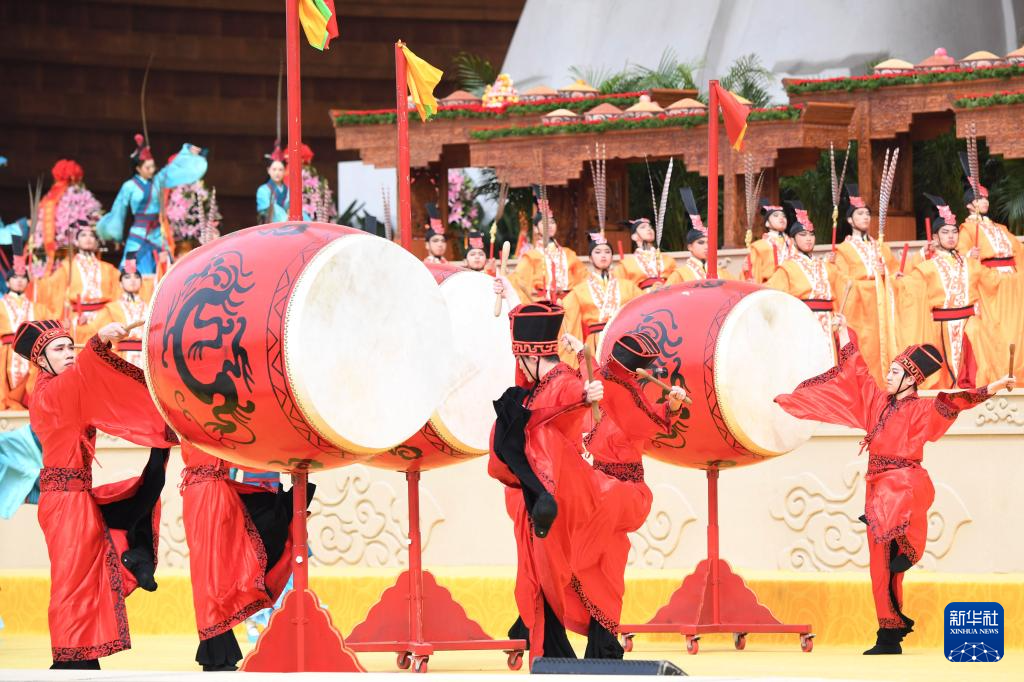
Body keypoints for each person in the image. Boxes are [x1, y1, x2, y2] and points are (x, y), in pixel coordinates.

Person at [776, 314, 1014, 655]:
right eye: (888, 371)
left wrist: (994, 386)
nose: (887, 376)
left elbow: (957, 400)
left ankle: (902, 540)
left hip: (902, 482)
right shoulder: (877, 403)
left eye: (894, 372)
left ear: (910, 379)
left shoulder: (922, 409)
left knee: (895, 502)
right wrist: (843, 330)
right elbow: (857, 369)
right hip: (875, 485)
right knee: (880, 567)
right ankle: (888, 634)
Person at [16, 318, 177, 669]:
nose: (68, 353)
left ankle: (83, 655)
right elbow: (83, 375)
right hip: (65, 502)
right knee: (72, 581)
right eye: (59, 349)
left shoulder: (61, 389)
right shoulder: (48, 394)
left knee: (88, 577)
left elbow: (96, 390)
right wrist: (99, 339)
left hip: (76, 497)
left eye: (70, 347)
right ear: (40, 360)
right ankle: (69, 659)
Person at [487, 302, 605, 663]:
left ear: (531, 356)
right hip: (548, 494)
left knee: (550, 576)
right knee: (550, 577)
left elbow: (573, 398)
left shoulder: (562, 384)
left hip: (553, 496)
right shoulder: (550, 384)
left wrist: (584, 394)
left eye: (520, 361)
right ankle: (546, 643)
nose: (519, 370)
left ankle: (555, 653)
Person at [572, 332, 687, 652]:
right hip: (598, 491)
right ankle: (602, 645)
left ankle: (573, 569)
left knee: (597, 562)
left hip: (622, 494)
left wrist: (673, 404)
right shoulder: (603, 387)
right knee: (607, 567)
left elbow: (653, 419)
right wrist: (579, 350)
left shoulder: (622, 395)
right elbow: (589, 369)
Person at [179, 442, 312, 671]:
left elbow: (236, 453)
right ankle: (217, 648)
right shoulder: (194, 423)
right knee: (208, 576)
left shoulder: (200, 425)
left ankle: (218, 649)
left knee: (213, 574)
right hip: (206, 495)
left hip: (209, 493)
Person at [897, 195, 1008, 389]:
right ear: (935, 237)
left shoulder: (970, 264)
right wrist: (893, 282)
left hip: (971, 328)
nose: (951, 236)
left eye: (954, 232)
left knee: (977, 372)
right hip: (941, 330)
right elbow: (906, 287)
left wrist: (1016, 280)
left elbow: (996, 283)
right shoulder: (927, 267)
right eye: (945, 232)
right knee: (944, 379)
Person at [96, 134, 207, 274]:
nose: (152, 170)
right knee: (129, 266)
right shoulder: (129, 186)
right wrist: (114, 234)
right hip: (138, 231)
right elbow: (119, 210)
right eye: (147, 168)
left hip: (157, 233)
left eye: (153, 166)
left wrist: (188, 151)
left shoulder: (158, 180)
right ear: (138, 168)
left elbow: (175, 168)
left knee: (166, 266)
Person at [956, 156, 1024, 379]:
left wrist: (1018, 276)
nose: (985, 201)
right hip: (990, 286)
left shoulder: (1000, 228)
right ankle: (998, 370)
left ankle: (1017, 368)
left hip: (1013, 285)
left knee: (1016, 327)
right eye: (979, 199)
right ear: (969, 204)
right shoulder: (967, 229)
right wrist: (971, 257)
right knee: (997, 328)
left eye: (985, 198)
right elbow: (962, 258)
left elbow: (1018, 251)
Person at [834, 184, 900, 386]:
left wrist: (885, 274)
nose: (865, 217)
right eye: (860, 214)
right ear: (849, 220)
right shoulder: (843, 249)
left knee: (884, 344)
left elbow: (895, 273)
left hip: (881, 307)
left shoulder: (881, 247)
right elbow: (843, 281)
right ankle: (865, 387)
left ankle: (886, 386)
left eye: (867, 214)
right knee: (865, 345)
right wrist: (870, 282)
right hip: (860, 308)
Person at [765, 200, 846, 359]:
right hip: (801, 321)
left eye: (811, 234)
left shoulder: (826, 266)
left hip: (829, 323)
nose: (808, 239)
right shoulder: (787, 267)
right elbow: (772, 296)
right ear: (792, 240)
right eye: (802, 235)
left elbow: (846, 287)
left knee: (829, 362)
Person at [559, 231, 642, 367]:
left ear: (612, 256)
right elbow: (568, 319)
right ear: (590, 258)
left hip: (623, 341)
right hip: (594, 343)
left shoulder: (628, 286)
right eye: (597, 252)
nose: (603, 255)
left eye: (607, 252)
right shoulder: (579, 290)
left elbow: (642, 310)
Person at [37, 224, 121, 345]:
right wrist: (37, 279)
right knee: (80, 352)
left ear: (97, 242)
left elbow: (119, 293)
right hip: (77, 318)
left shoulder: (109, 269)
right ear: (76, 241)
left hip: (104, 318)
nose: (88, 238)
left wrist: (108, 313)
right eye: (83, 235)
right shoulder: (67, 267)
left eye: (92, 236)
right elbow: (53, 290)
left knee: (106, 351)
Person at [511, 199, 587, 303]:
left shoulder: (568, 253)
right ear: (535, 228)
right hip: (543, 303)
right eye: (544, 223)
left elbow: (584, 278)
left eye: (552, 222)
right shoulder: (531, 256)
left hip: (569, 303)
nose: (549, 225)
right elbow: (519, 280)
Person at [0, 235, 44, 408]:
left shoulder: (37, 307)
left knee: (32, 389)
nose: (19, 280)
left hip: (31, 354)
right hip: (5, 353)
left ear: (28, 281)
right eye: (15, 277)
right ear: (7, 281)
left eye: (23, 277)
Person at [667, 187, 736, 283]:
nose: (707, 247)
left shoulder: (722, 273)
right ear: (690, 247)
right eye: (701, 242)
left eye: (709, 243)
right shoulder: (680, 274)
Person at [91, 255, 148, 369]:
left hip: (147, 359)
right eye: (127, 277)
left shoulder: (150, 307)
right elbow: (98, 334)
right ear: (120, 283)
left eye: (136, 277)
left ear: (141, 282)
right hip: (121, 358)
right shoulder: (111, 308)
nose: (132, 280)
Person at [614, 218, 676, 290]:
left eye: (650, 227)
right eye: (643, 227)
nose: (649, 229)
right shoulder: (626, 264)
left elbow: (677, 281)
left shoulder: (668, 259)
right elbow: (623, 289)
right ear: (634, 237)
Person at [746, 198, 794, 284]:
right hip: (769, 288)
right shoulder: (760, 247)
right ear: (767, 223)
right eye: (776, 216)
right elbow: (755, 276)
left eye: (784, 216)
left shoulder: (793, 245)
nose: (781, 218)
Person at [256, 143, 289, 224]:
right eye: (274, 169)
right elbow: (264, 210)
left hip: (288, 226)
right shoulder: (263, 190)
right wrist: (284, 218)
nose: (277, 173)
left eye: (280, 170)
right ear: (268, 170)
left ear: (285, 171)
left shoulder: (288, 190)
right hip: (270, 226)